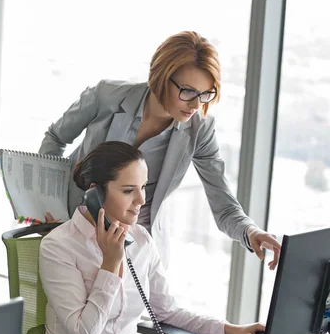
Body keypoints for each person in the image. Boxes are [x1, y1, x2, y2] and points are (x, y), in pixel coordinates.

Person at [38, 31, 281, 271]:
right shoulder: (106, 97)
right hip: (69, 229)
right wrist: (46, 206)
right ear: (161, 77)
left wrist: (250, 232)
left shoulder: (199, 130)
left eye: (206, 94)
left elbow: (223, 203)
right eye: (188, 91)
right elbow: (55, 138)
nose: (197, 105)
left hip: (134, 250)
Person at [39, 141, 265, 334]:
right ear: (95, 194)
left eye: (143, 187)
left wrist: (230, 329)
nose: (141, 200)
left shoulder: (141, 239)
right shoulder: (59, 245)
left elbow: (167, 312)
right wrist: (110, 265)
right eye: (128, 191)